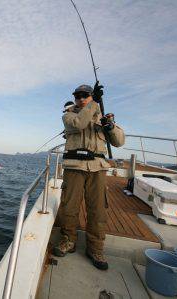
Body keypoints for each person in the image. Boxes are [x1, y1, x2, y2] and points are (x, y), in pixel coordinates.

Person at [53, 83, 125, 270]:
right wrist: (95, 103)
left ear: (91, 96)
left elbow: (119, 142)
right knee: (69, 207)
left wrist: (110, 127)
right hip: (74, 167)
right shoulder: (68, 115)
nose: (81, 98)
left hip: (97, 168)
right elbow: (80, 123)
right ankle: (68, 240)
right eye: (78, 96)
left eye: (85, 95)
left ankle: (95, 248)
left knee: (98, 210)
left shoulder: (102, 117)